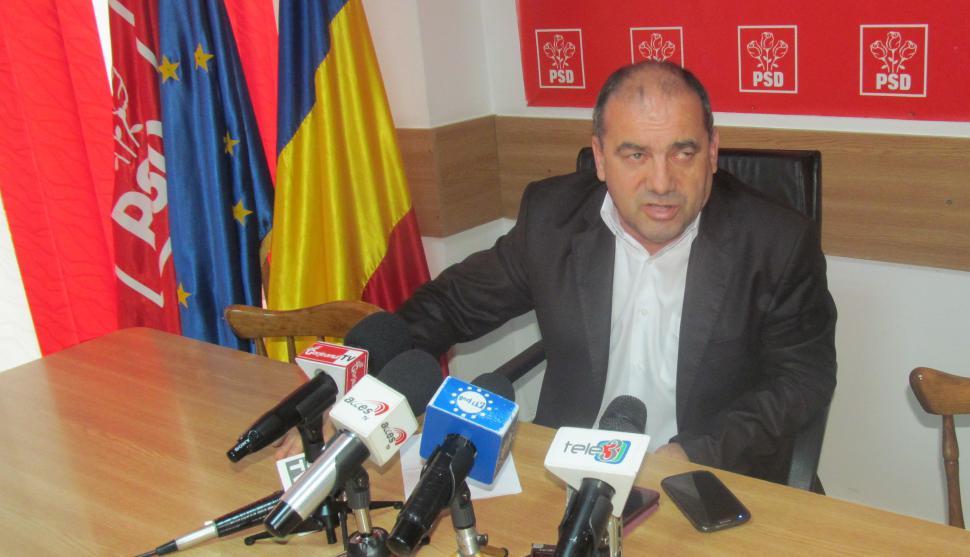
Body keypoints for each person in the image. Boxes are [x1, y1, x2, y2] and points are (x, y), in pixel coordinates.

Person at [397, 60, 837, 484]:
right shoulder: (552, 221)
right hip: (566, 474)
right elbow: (450, 305)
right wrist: (377, 372)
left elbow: (802, 378)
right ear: (601, 158)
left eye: (683, 153)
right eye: (636, 155)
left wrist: (695, 453)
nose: (661, 183)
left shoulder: (776, 243)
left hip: (700, 478)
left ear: (712, 152)